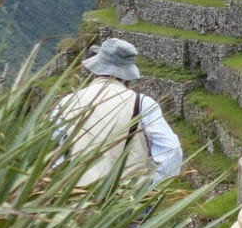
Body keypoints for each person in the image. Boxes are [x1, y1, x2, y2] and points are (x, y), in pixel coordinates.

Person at [56, 37, 182, 188]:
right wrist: (150, 188)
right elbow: (172, 151)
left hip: (74, 199)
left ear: (96, 69)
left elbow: (53, 152)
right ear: (128, 75)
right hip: (125, 199)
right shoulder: (142, 104)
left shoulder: (67, 102)